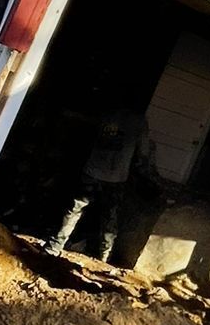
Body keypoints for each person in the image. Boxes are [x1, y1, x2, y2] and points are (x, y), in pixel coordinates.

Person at [46, 103, 150, 265]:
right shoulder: (139, 122)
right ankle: (103, 259)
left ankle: (55, 246)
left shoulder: (108, 114)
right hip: (117, 177)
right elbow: (143, 152)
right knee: (110, 219)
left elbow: (90, 136)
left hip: (92, 171)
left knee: (74, 210)